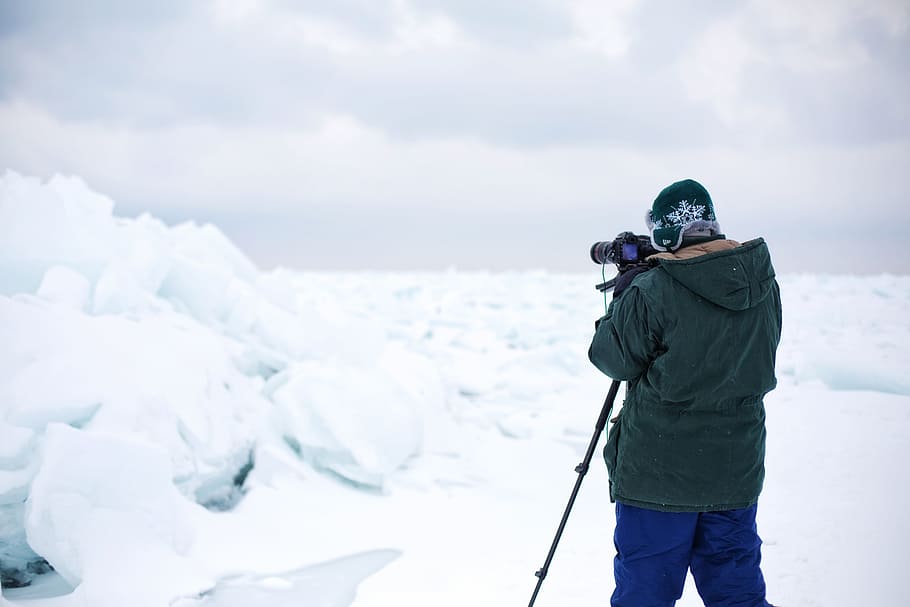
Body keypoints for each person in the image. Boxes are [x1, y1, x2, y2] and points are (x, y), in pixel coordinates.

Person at [588, 179, 782, 607]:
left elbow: (613, 360)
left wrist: (625, 297)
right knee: (737, 592)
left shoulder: (653, 290)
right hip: (734, 468)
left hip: (659, 475)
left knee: (646, 592)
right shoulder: (762, 287)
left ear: (664, 234)